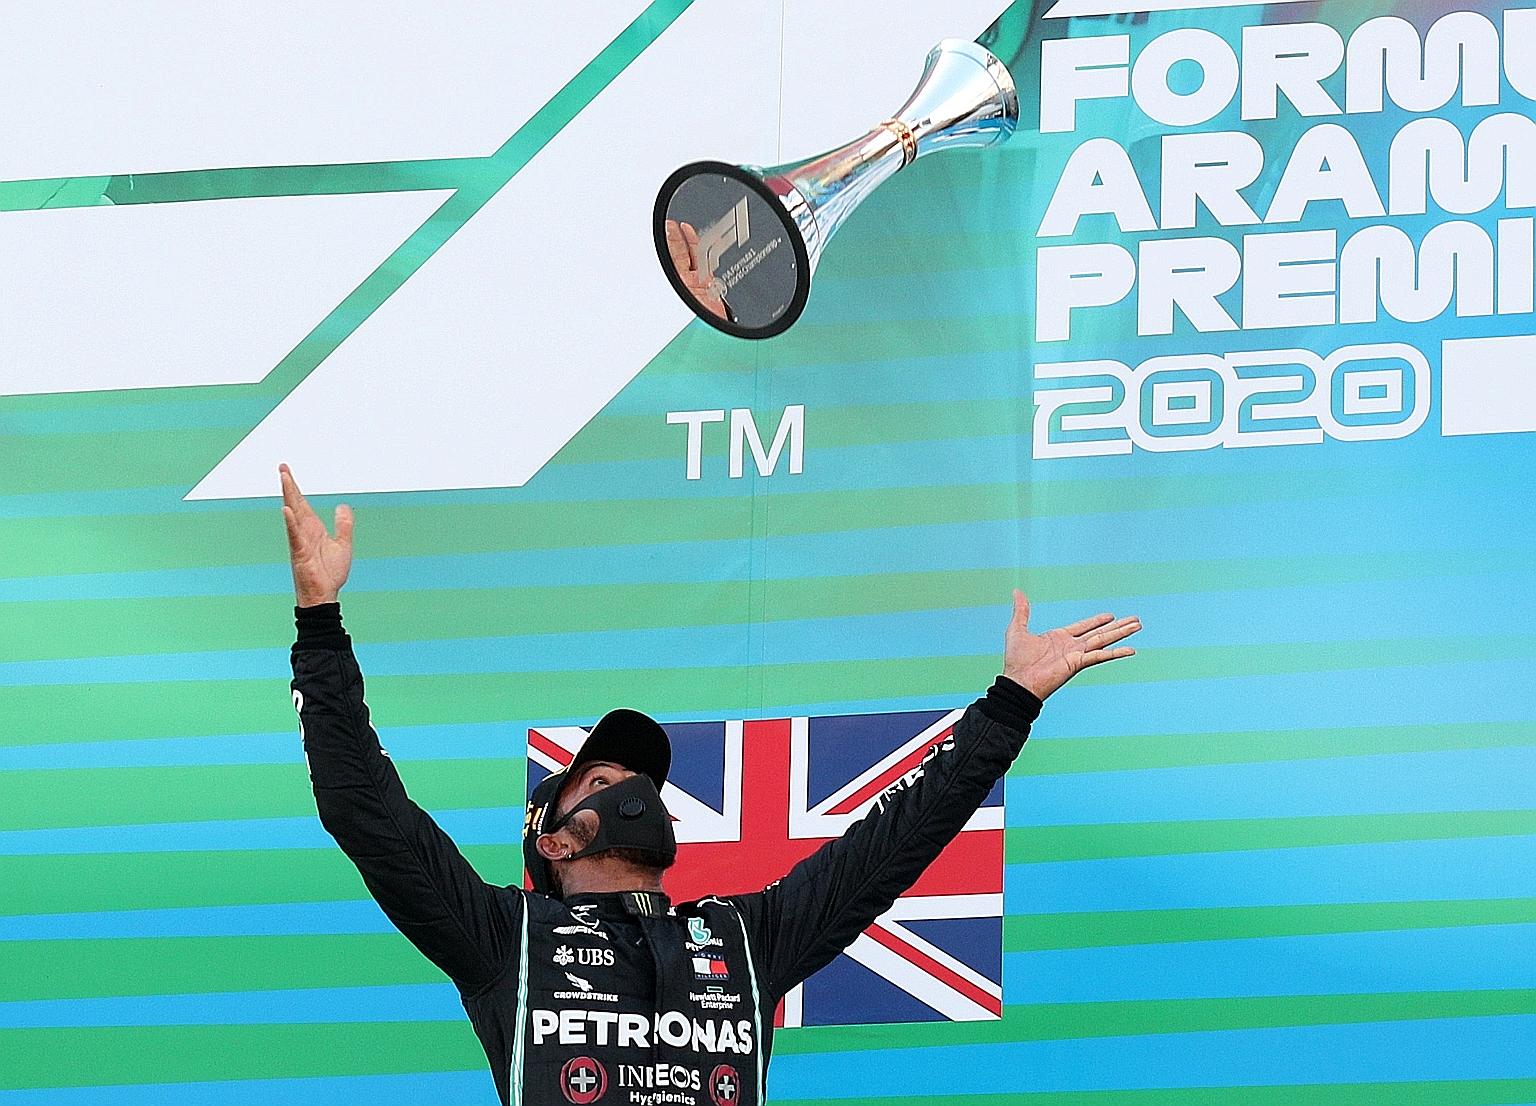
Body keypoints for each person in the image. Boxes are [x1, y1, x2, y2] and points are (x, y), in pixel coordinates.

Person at [280, 464, 1140, 1106]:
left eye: (645, 782)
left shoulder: (744, 938)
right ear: (552, 838)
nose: (635, 791)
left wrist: (1009, 703)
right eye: (605, 779)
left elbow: (894, 843)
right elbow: (362, 805)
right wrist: (320, 622)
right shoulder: (505, 938)